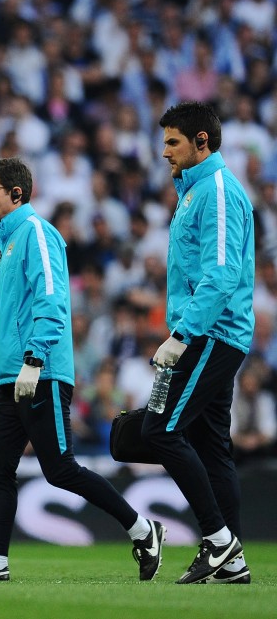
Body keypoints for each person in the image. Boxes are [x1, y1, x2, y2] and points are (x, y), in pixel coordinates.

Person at [0, 157, 164, 583]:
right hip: (12, 377)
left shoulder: (37, 233)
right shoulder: (8, 242)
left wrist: (34, 360)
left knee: (60, 468)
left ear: (17, 194)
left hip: (38, 373)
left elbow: (52, 301)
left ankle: (143, 530)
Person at [142, 101, 255, 584]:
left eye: (173, 141)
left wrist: (183, 334)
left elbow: (223, 272)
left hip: (210, 333)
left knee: (159, 430)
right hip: (207, 332)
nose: (163, 151)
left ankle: (218, 540)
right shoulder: (195, 191)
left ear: (201, 141)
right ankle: (232, 562)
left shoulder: (219, 191)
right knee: (211, 448)